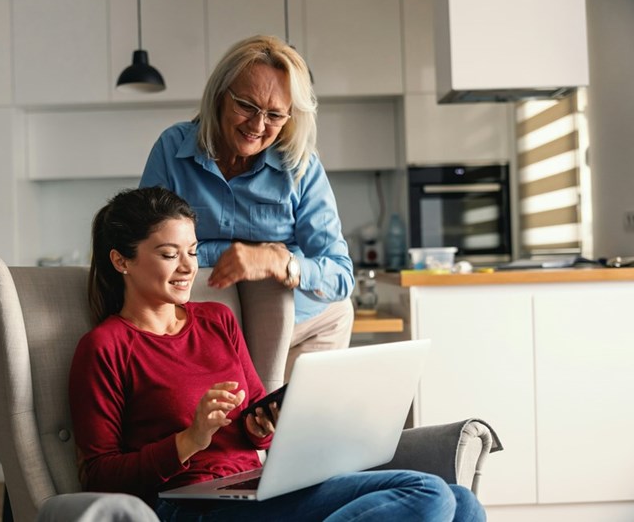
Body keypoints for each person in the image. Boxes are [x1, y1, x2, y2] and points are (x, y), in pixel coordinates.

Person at [69, 186, 486, 522]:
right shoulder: (106, 347)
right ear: (121, 260)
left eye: (193, 252)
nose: (187, 267)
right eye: (168, 254)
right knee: (427, 493)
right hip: (190, 505)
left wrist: (268, 420)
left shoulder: (216, 320)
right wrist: (189, 439)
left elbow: (255, 424)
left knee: (462, 502)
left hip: (258, 485)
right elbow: (100, 474)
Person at [139, 35, 354, 381]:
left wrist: (281, 262)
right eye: (247, 106)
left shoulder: (301, 166)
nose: (257, 126)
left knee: (295, 428)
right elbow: (148, 249)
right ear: (221, 95)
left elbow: (341, 276)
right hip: (204, 324)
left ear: (291, 117)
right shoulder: (171, 148)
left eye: (274, 115)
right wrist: (241, 254)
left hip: (303, 325)